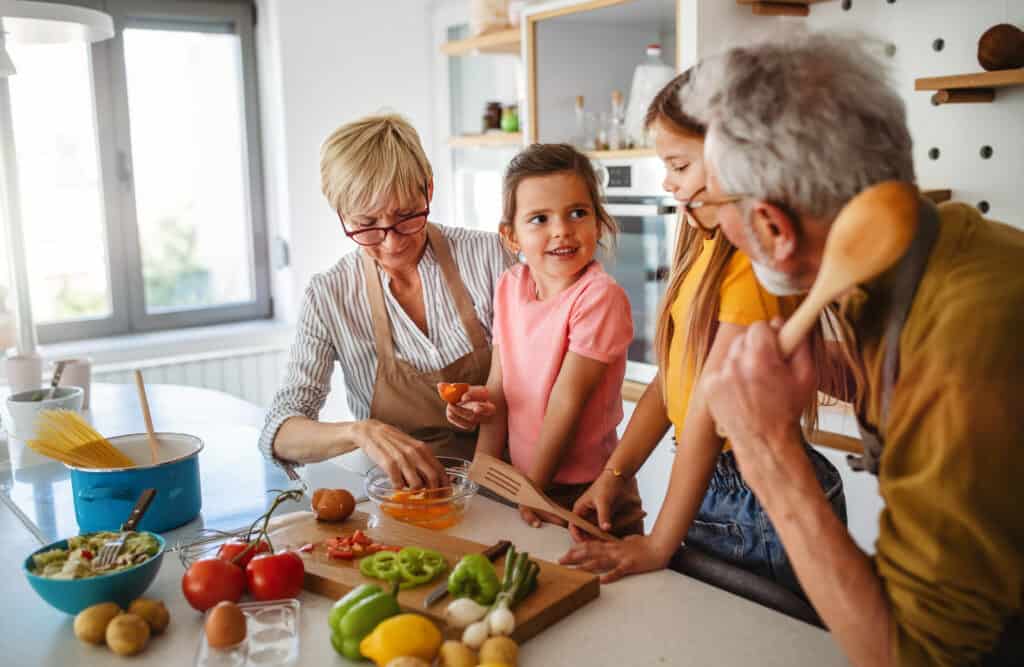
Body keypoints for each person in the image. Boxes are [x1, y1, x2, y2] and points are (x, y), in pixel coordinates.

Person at [681, 31, 1023, 666]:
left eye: (714, 201)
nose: (707, 218)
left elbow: (917, 658)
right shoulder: (928, 249)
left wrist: (767, 452)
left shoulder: (962, 347)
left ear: (773, 227)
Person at [559, 71, 846, 596]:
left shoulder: (748, 267)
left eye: (680, 165)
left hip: (756, 499)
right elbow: (674, 382)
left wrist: (658, 543)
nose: (669, 183)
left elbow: (708, 418)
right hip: (718, 490)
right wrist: (614, 476)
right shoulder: (708, 250)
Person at [259, 113, 510, 489]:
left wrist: (497, 402)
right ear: (341, 213)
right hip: (403, 497)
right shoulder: (330, 297)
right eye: (366, 224)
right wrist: (360, 433)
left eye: (407, 216)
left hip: (508, 486)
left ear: (429, 189)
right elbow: (279, 433)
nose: (392, 243)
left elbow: (547, 377)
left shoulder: (490, 258)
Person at [461, 143, 642, 532]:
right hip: (526, 483)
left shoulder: (599, 296)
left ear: (598, 222)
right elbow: (499, 386)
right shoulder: (509, 286)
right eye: (540, 219)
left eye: (578, 213)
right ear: (511, 237)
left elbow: (567, 401)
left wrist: (534, 489)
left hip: (587, 493)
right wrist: (479, 475)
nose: (562, 230)